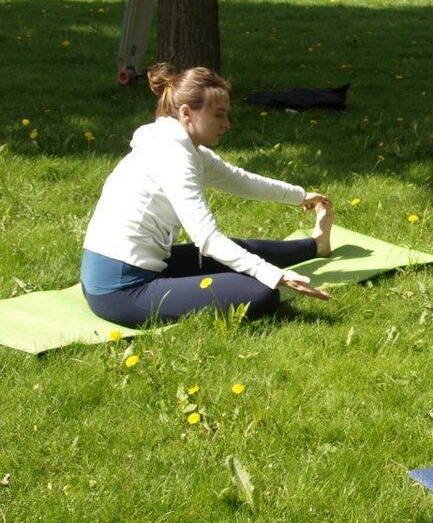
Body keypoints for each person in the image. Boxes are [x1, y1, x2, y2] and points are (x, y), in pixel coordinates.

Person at [81, 64, 335, 329]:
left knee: (241, 251)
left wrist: (301, 195)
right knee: (262, 292)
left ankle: (317, 245)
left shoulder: (179, 144)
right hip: (121, 290)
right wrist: (274, 275)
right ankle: (295, 260)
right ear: (187, 113)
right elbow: (207, 239)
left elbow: (239, 180)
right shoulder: (174, 156)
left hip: (141, 266)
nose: (227, 123)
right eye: (219, 115)